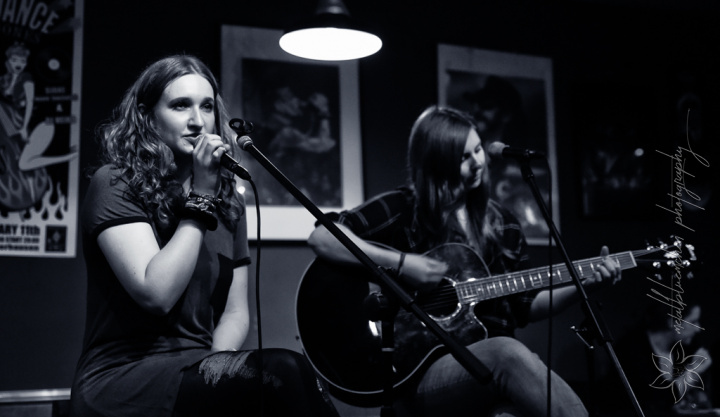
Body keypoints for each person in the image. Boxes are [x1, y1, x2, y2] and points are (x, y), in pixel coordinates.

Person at [308, 105, 621, 417]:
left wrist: (583, 286)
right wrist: (402, 263)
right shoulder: (404, 209)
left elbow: (526, 306)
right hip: (416, 372)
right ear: (435, 162)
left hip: (490, 374)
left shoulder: (503, 223)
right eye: (463, 157)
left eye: (478, 149)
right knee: (507, 352)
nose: (478, 163)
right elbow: (323, 237)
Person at [69, 55, 338, 417]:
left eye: (207, 106)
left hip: (197, 368)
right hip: (122, 377)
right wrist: (201, 197)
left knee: (296, 374)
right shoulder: (116, 182)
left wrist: (219, 371)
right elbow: (156, 293)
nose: (197, 120)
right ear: (147, 117)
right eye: (180, 105)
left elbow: (235, 311)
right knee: (283, 371)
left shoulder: (229, 202)